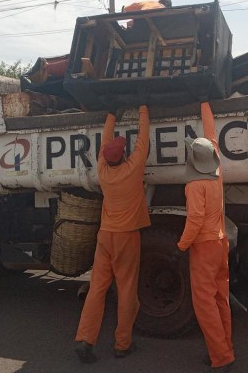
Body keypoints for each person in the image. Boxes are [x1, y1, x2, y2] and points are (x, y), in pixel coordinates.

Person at [74, 101, 151, 364]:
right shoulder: (133, 169)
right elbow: (144, 140)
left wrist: (110, 114)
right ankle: (122, 344)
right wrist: (143, 109)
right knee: (127, 290)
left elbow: (105, 143)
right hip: (127, 237)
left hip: (105, 236)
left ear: (106, 157)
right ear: (125, 155)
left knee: (97, 289)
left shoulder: (103, 171)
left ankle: (85, 338)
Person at [175, 100, 235, 372]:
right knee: (221, 298)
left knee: (204, 304)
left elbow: (195, 219)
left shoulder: (194, 185)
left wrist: (182, 244)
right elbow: (212, 135)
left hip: (203, 246)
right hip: (221, 243)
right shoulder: (217, 170)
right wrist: (204, 104)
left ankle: (221, 357)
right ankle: (225, 349)